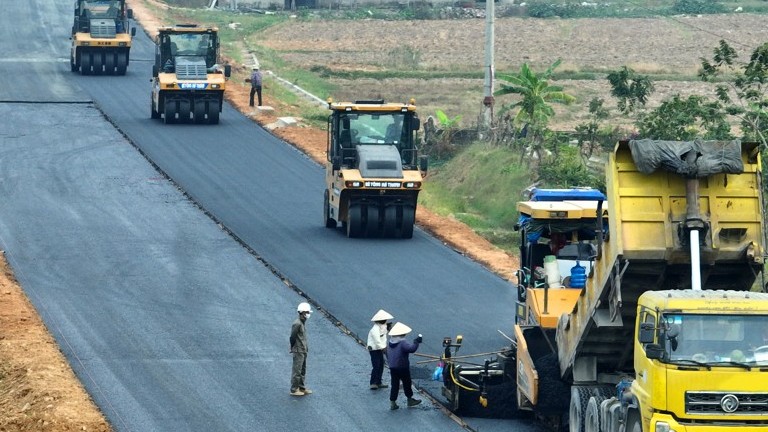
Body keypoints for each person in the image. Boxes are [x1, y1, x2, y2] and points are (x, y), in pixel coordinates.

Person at [386, 322, 422, 410]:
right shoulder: (402, 342)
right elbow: (411, 349)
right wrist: (416, 342)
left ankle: (392, 402)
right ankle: (410, 400)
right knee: (407, 383)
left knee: (395, 384)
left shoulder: (391, 341)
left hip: (392, 366)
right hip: (402, 366)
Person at [289, 302, 313, 396]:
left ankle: (302, 388)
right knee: (297, 370)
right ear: (302, 312)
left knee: (303, 370)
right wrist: (292, 347)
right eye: (307, 312)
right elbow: (292, 337)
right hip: (298, 350)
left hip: (303, 350)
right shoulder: (297, 323)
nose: (308, 314)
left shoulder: (302, 323)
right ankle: (294, 389)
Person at [367, 309, 394, 390]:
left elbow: (384, 337)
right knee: (376, 365)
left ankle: (378, 382)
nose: (385, 321)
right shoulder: (374, 329)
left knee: (381, 365)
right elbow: (377, 341)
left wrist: (388, 329)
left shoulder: (383, 326)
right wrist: (383, 349)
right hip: (374, 349)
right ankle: (373, 383)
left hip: (380, 348)